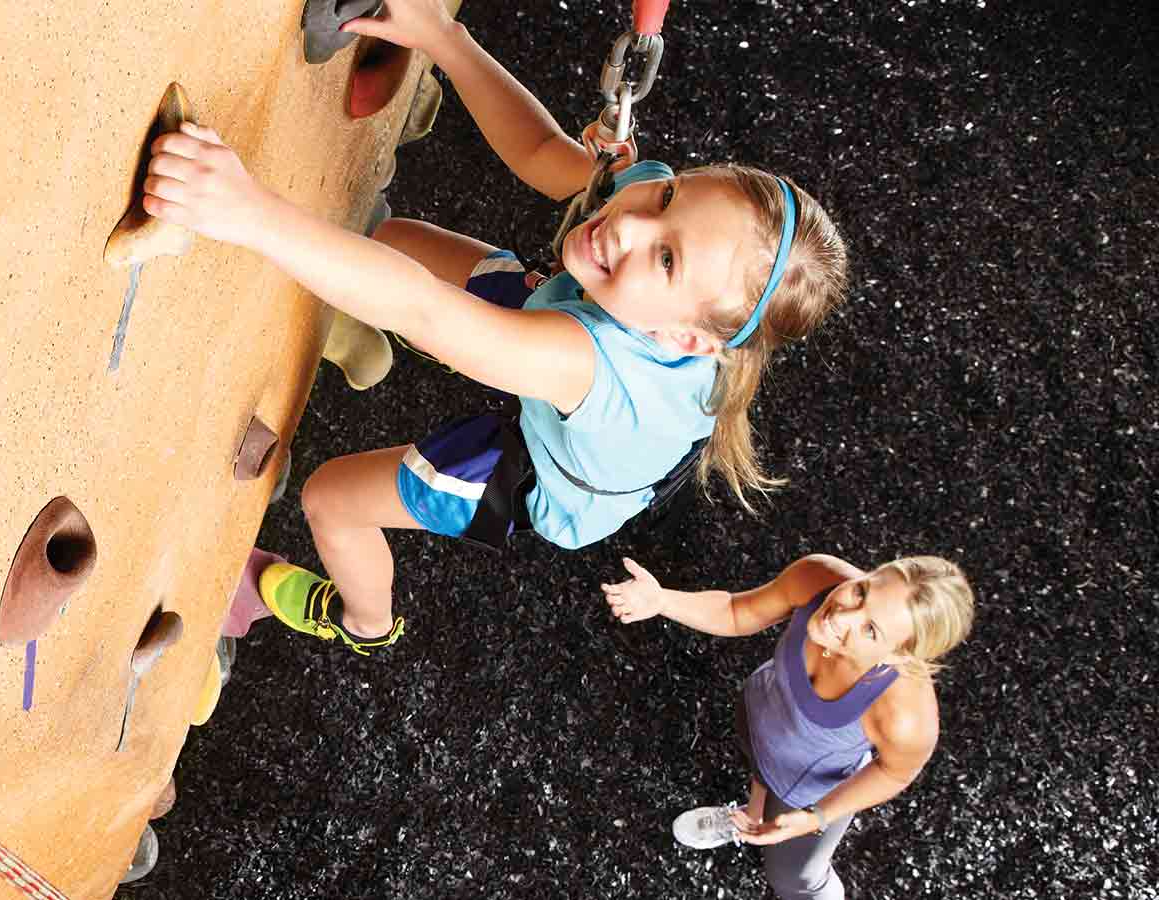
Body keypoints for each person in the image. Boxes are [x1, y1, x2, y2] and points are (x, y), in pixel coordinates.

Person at [139, 0, 848, 654]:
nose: (630, 221)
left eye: (665, 256)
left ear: (689, 341)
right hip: (592, 331)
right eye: (665, 196)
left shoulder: (584, 364)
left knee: (331, 498)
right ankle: (370, 328)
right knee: (400, 243)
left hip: (538, 470)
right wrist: (445, 39)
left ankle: (363, 622)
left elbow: (425, 308)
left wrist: (245, 211)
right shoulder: (659, 237)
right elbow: (546, 156)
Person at [604, 553, 975, 900]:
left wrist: (816, 817)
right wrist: (663, 601)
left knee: (794, 881)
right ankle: (747, 818)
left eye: (871, 631)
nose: (841, 616)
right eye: (861, 591)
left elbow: (894, 773)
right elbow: (736, 611)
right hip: (760, 715)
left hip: (806, 789)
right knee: (758, 773)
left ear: (898, 655)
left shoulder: (904, 714)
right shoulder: (817, 577)